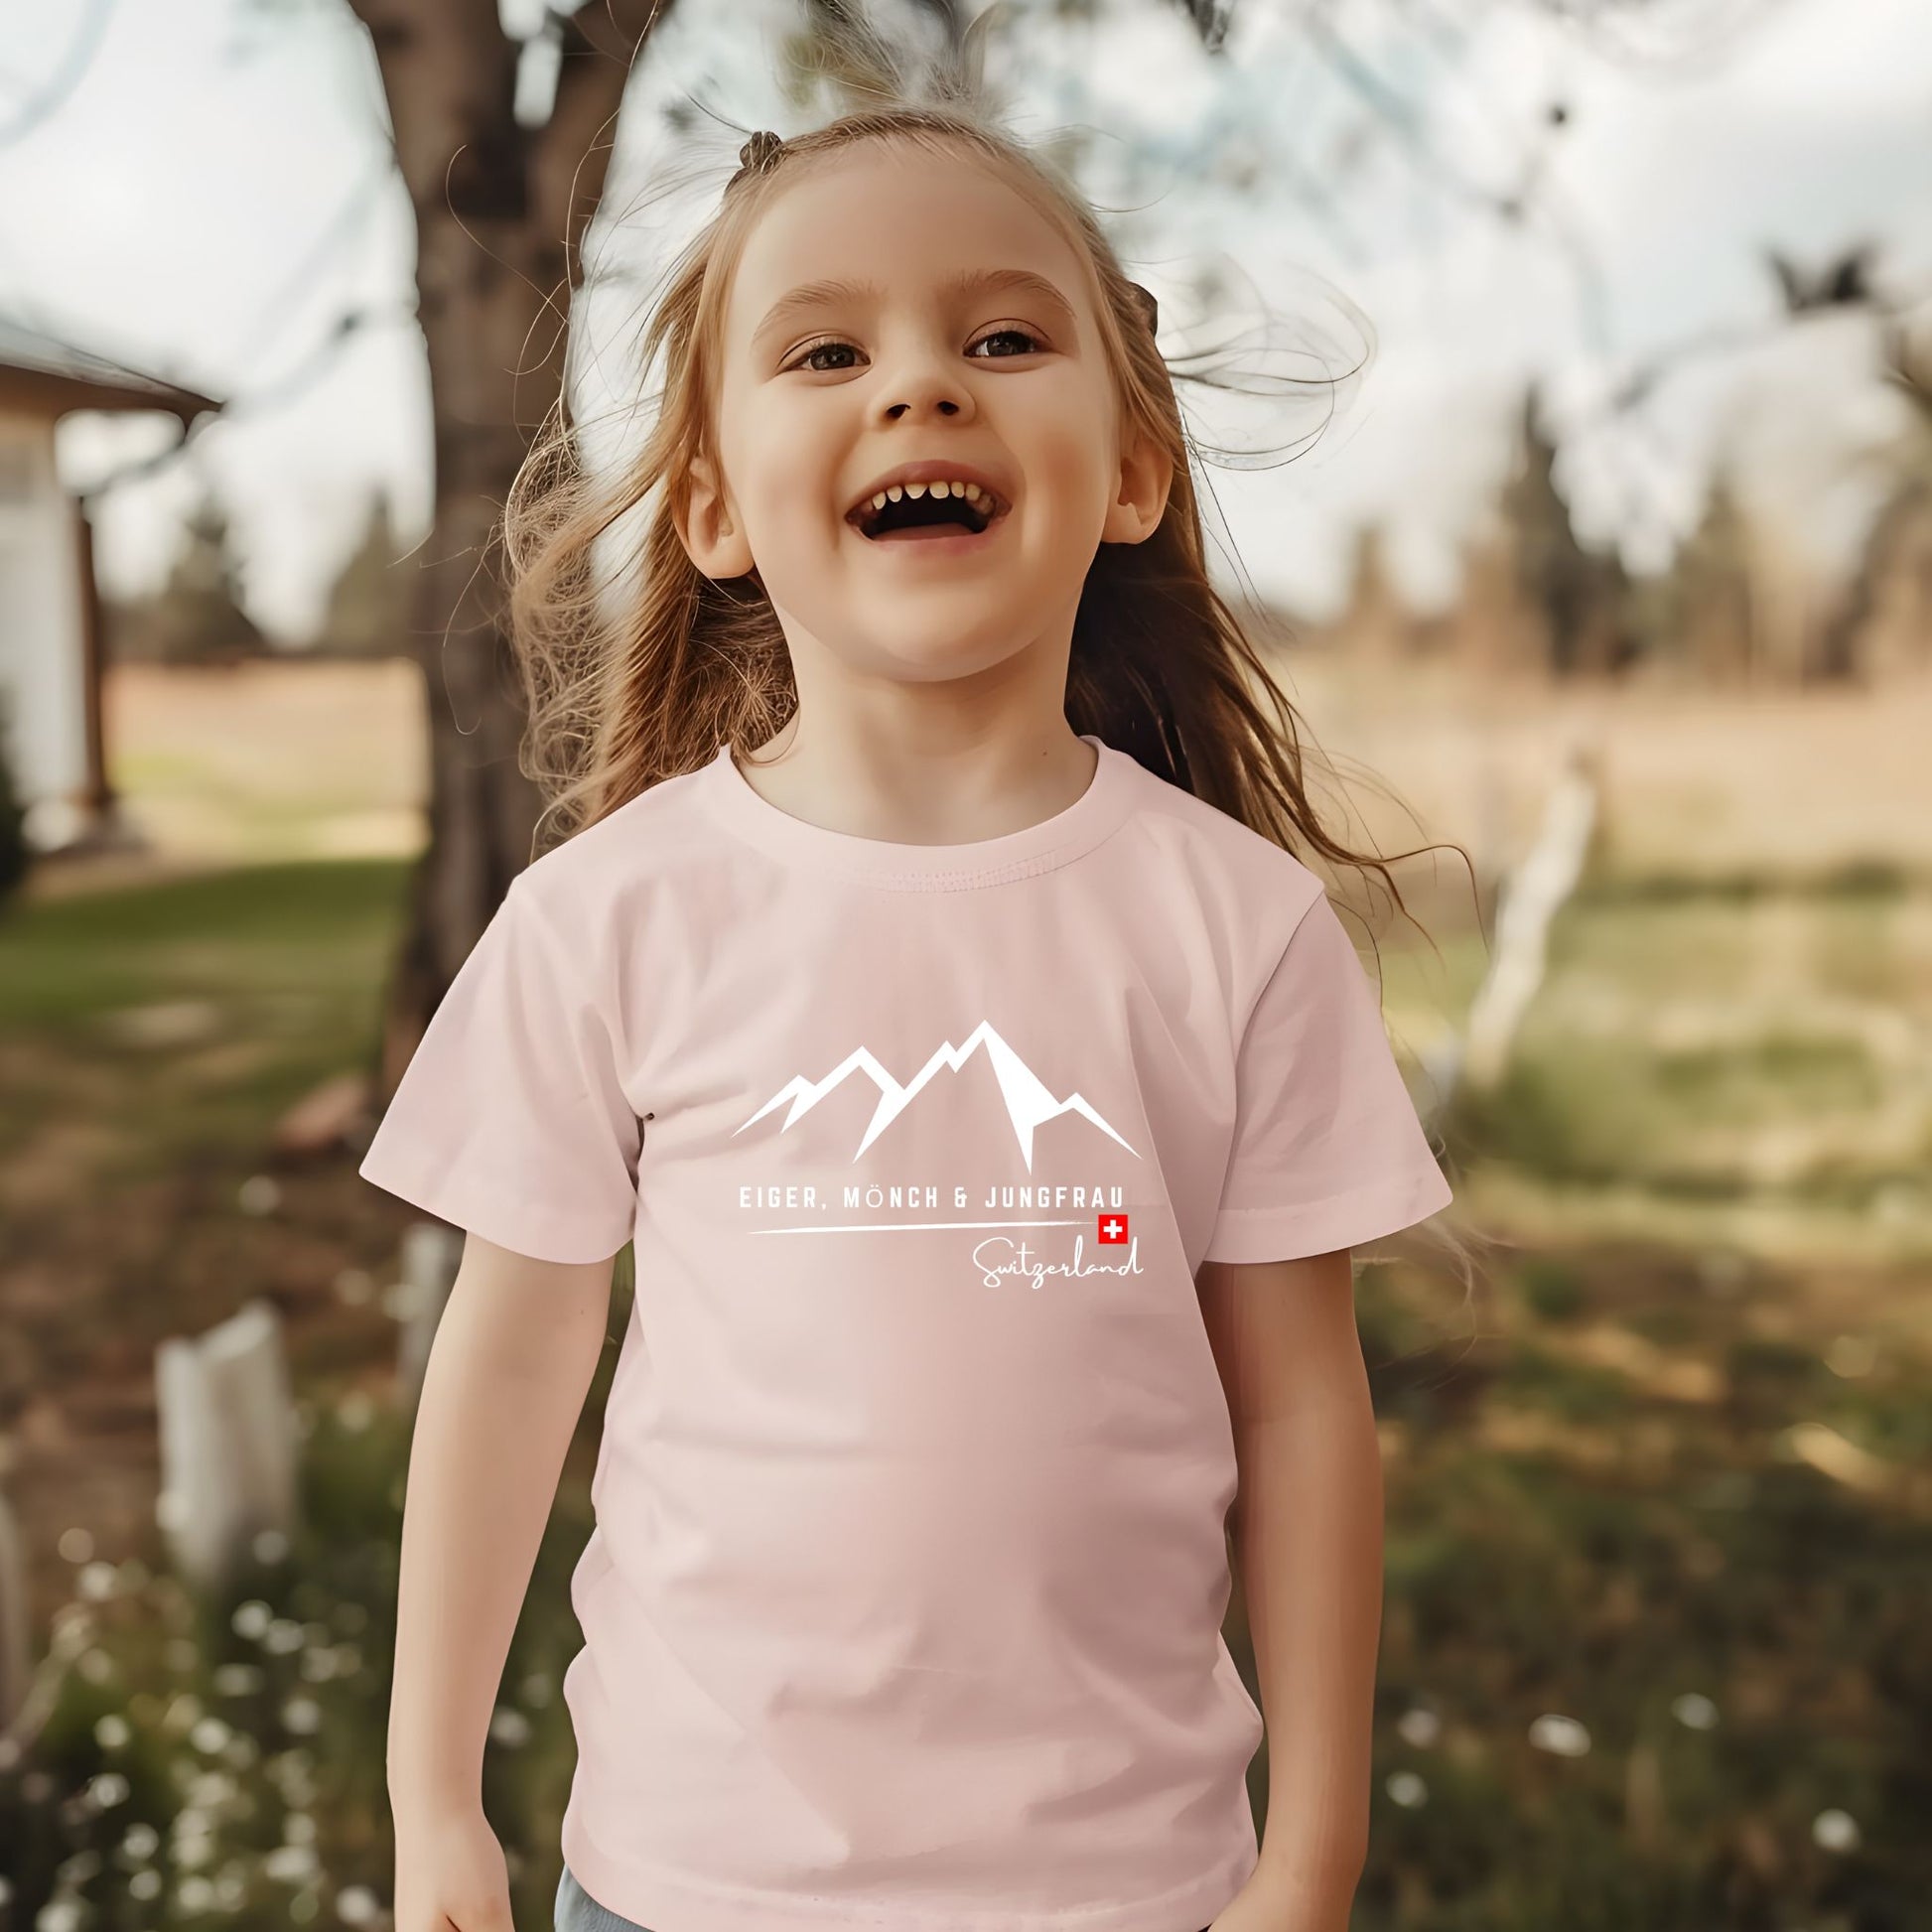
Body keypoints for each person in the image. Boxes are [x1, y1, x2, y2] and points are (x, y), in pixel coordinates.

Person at [364, 98, 1460, 1932]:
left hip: (1124, 1889)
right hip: (680, 1885)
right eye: (825, 349)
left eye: (1004, 337)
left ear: (1131, 465)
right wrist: (429, 1797)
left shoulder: (1241, 929)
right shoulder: (605, 921)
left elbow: (1301, 1411)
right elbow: (506, 1369)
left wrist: (1312, 1852)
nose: (921, 388)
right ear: (709, 501)